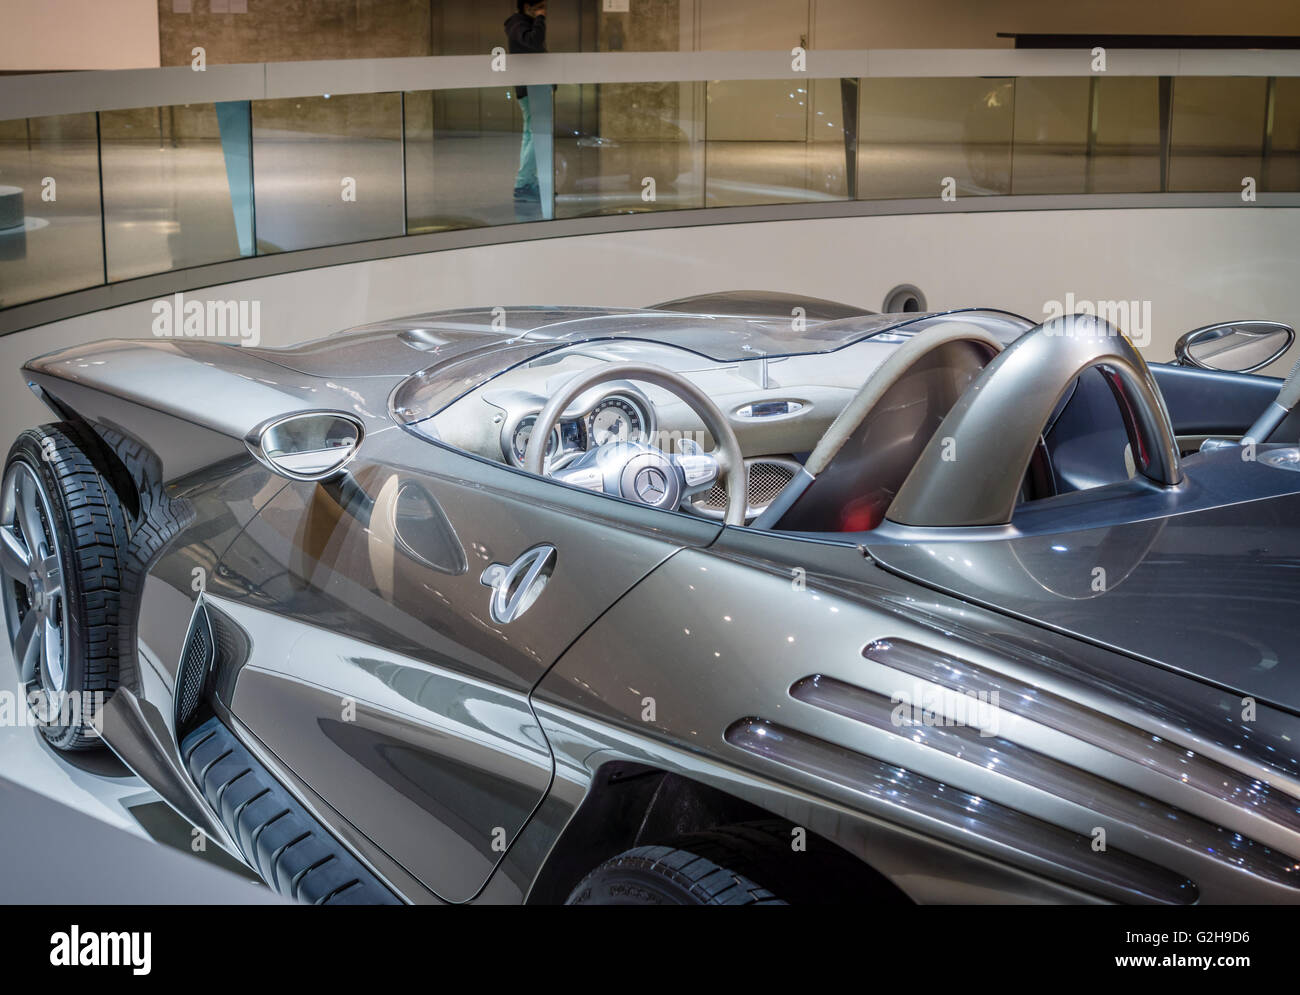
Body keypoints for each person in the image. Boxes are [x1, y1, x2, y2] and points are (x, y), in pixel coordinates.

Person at [505, 1, 547, 201]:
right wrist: (540, 18)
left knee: (532, 134)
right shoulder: (517, 23)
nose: (543, 9)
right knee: (537, 134)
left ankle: (526, 181)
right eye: (539, 5)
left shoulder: (521, 22)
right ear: (527, 6)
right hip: (531, 88)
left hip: (534, 86)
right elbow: (534, 41)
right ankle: (523, 182)